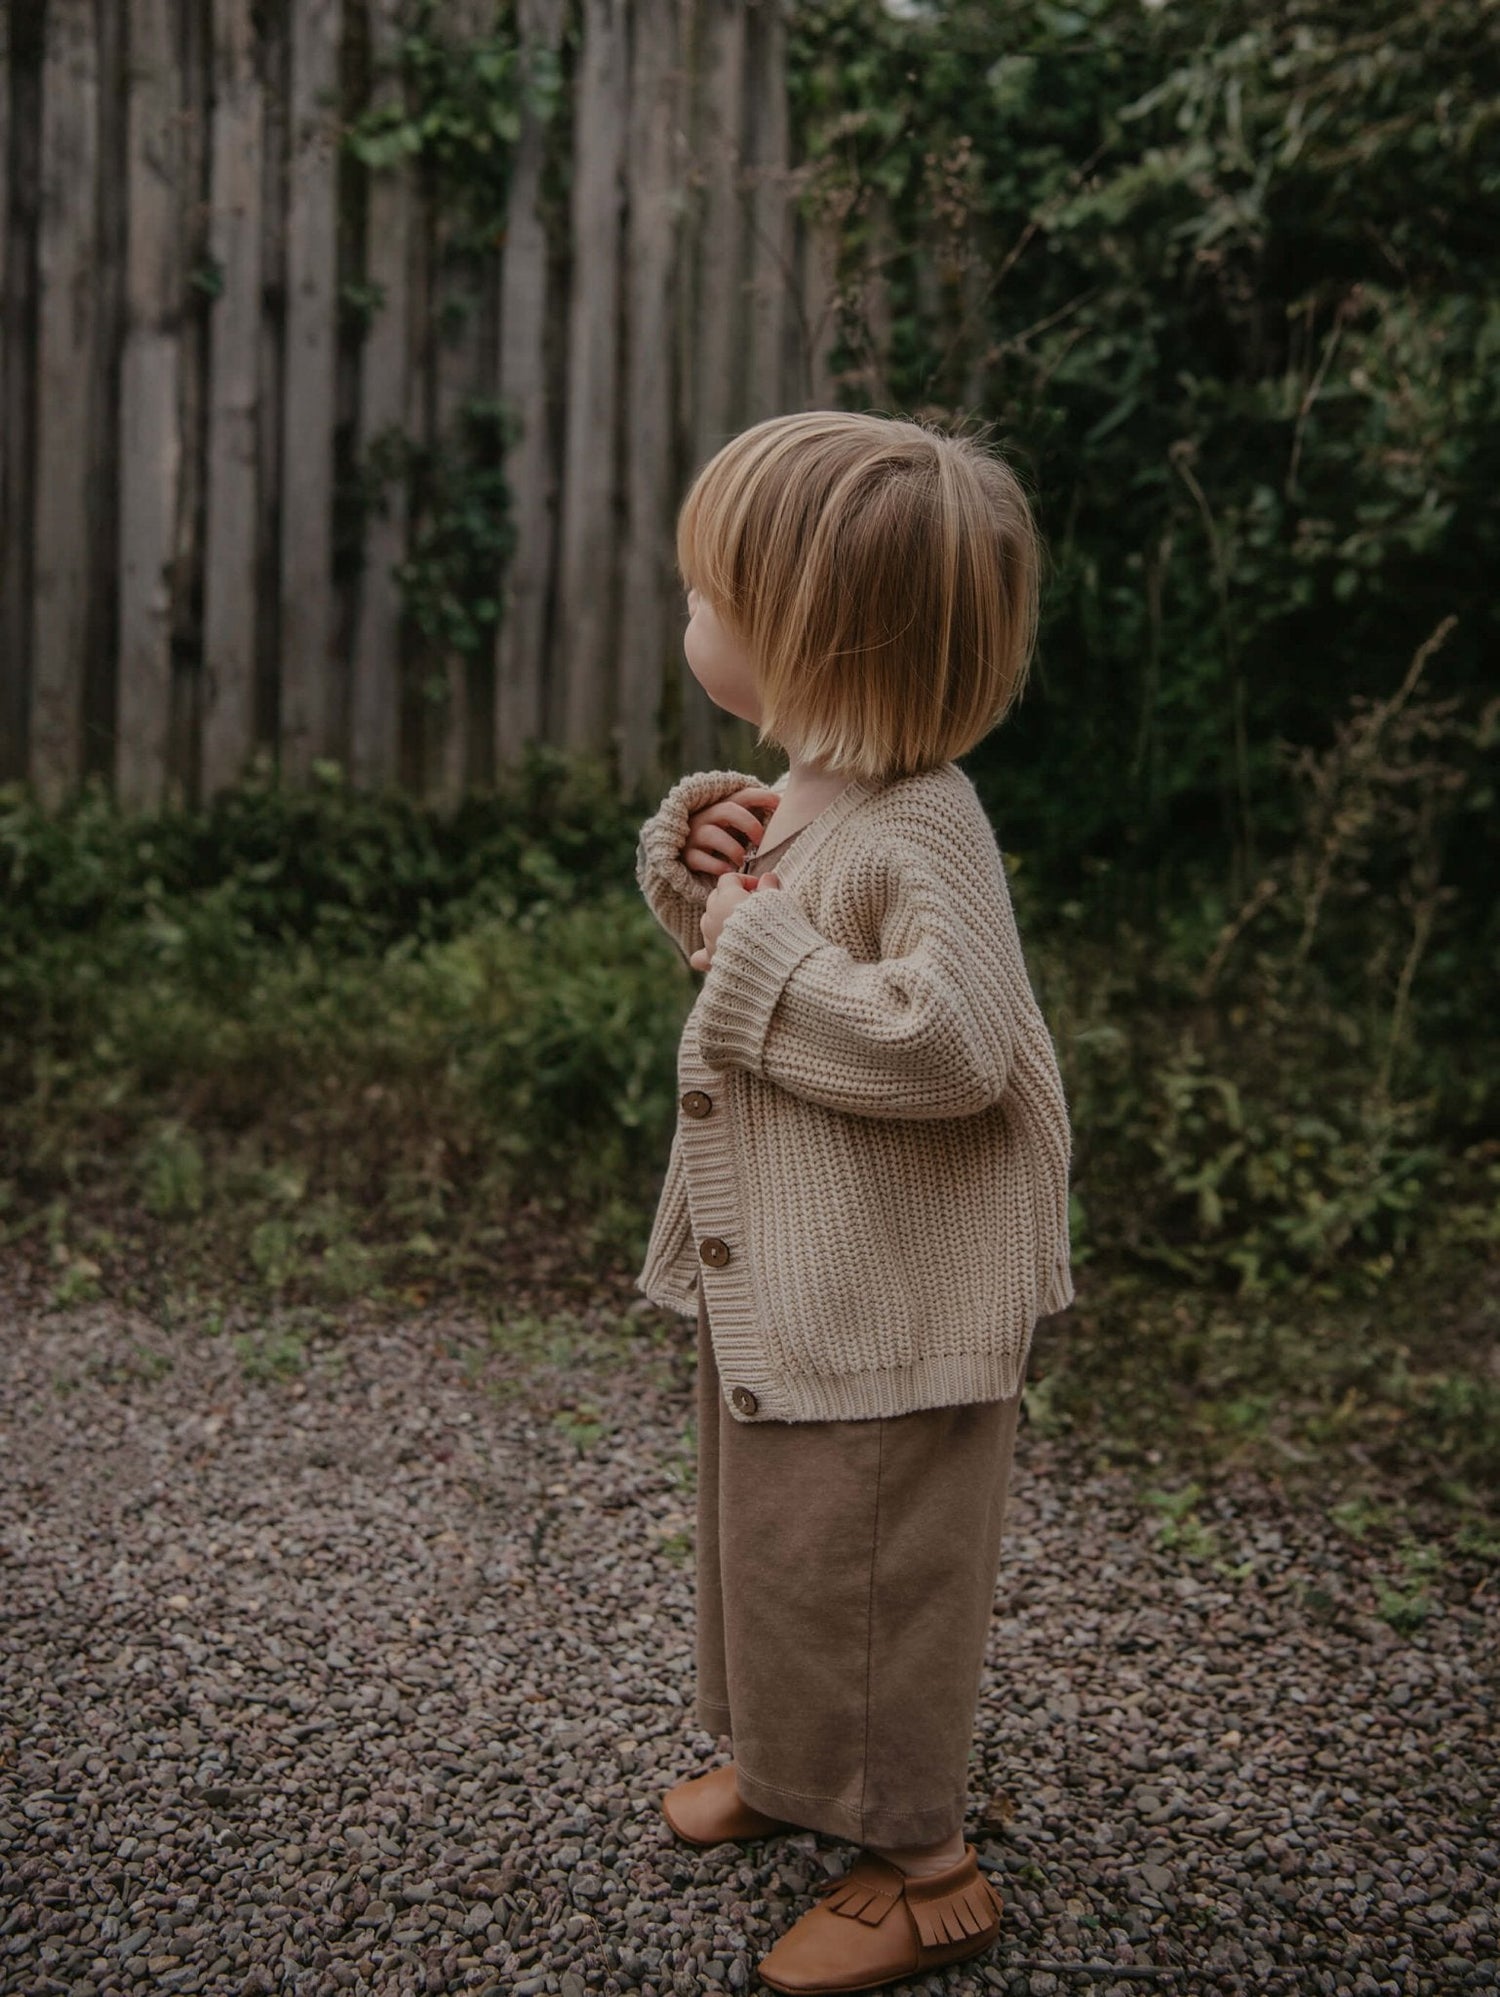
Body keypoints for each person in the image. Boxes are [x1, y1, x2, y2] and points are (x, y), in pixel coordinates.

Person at [632, 409, 1074, 1994]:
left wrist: (753, 943)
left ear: (811, 640)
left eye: (708, 597)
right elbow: (753, 942)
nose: (685, 617)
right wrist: (702, 866)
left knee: (874, 1565)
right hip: (803, 1279)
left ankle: (926, 1860)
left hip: (889, 1301)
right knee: (781, 1546)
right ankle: (791, 1762)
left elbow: (950, 1045)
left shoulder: (926, 826)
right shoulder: (822, 781)